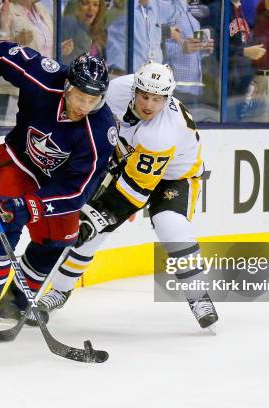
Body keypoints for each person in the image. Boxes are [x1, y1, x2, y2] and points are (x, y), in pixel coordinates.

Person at [0, 46, 117, 333]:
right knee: (1, 223)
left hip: (56, 188)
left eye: (93, 100)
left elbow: (77, 191)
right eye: (80, 96)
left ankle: (14, 303)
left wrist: (33, 206)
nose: (84, 106)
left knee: (56, 243)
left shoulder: (102, 132)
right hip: (20, 162)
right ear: (68, 85)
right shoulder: (43, 76)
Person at [36, 62, 219, 330]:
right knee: (92, 231)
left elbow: (135, 191)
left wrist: (101, 216)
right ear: (135, 88)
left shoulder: (162, 133)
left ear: (167, 99)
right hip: (126, 163)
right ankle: (59, 291)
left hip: (176, 175)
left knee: (170, 224)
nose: (148, 104)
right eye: (144, 96)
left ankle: (198, 296)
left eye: (157, 100)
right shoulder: (116, 90)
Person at [61, 0, 108, 64]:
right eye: (85, 3)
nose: (91, 9)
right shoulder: (68, 23)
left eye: (95, 5)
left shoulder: (101, 30)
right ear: (78, 5)